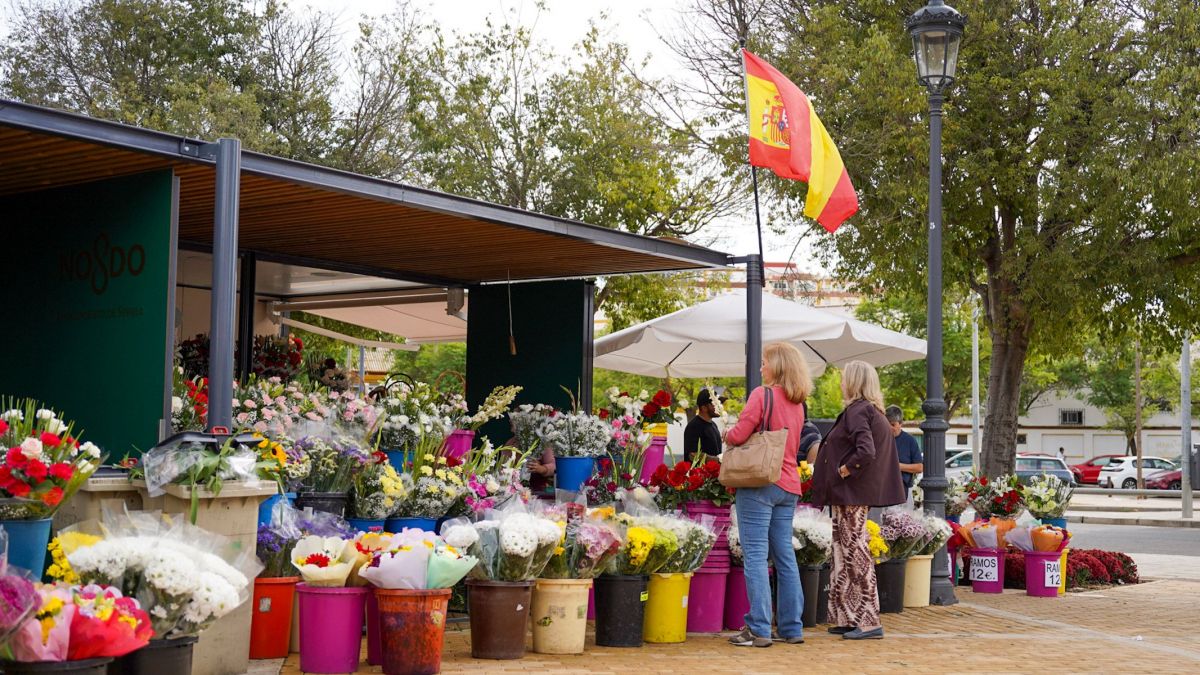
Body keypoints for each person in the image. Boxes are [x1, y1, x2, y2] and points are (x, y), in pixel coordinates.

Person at [809, 361, 905, 641]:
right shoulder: (870, 411)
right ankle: (848, 617)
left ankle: (867, 620)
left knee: (854, 552)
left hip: (851, 493)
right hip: (849, 494)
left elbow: (866, 451)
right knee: (842, 552)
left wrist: (844, 469)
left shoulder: (858, 410)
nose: (840, 383)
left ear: (854, 382)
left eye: (844, 378)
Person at [724, 342, 810, 648]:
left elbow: (739, 434)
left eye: (765, 362)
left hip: (759, 483)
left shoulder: (763, 394)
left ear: (778, 366)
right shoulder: (798, 404)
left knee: (757, 557)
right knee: (785, 557)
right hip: (788, 485)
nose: (761, 368)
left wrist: (727, 433)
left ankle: (759, 627)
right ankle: (791, 627)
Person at [886, 405, 923, 503]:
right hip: (881, 491)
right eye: (887, 424)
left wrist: (897, 466)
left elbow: (919, 468)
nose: (889, 428)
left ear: (900, 423)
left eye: (893, 424)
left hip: (903, 492)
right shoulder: (879, 439)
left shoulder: (910, 441)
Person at [683, 388, 723, 462]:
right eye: (715, 404)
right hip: (699, 473)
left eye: (719, 403)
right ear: (704, 408)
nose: (719, 406)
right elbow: (692, 455)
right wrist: (718, 460)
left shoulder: (713, 425)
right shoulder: (694, 427)